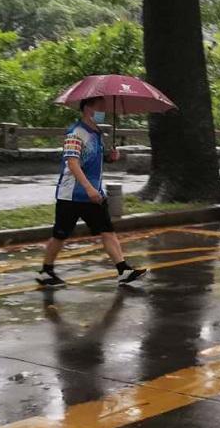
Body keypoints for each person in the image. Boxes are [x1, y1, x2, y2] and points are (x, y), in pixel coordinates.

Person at [36, 97, 146, 286]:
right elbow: (72, 163)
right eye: (100, 107)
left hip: (93, 195)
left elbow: (92, 160)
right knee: (60, 235)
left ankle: (123, 270)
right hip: (72, 195)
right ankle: (46, 271)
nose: (103, 111)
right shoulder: (75, 133)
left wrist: (110, 157)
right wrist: (88, 188)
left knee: (107, 231)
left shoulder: (96, 133)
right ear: (87, 108)